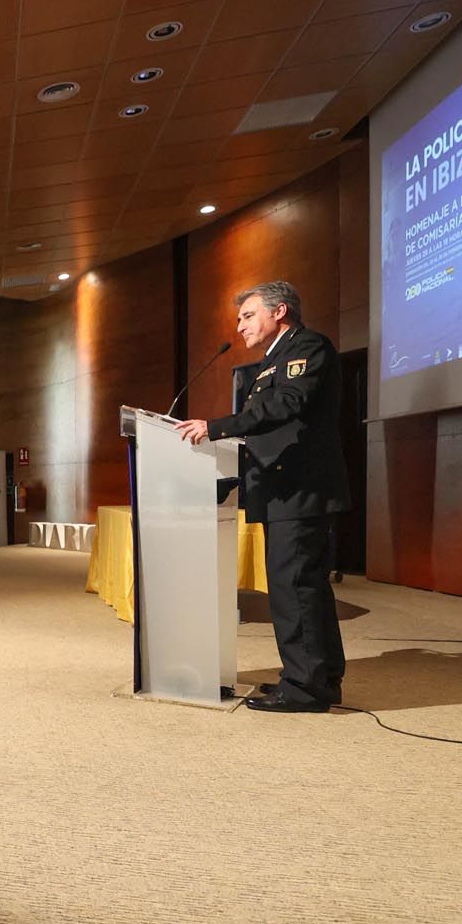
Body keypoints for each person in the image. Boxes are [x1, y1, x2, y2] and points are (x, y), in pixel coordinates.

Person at [178, 281, 349, 713]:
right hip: (284, 488)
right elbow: (267, 429)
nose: (239, 326)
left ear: (280, 312)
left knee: (293, 587)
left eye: (248, 315)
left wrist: (216, 427)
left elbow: (288, 405)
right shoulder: (273, 359)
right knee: (303, 587)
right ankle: (318, 677)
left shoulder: (307, 347)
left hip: (300, 488)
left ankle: (306, 687)